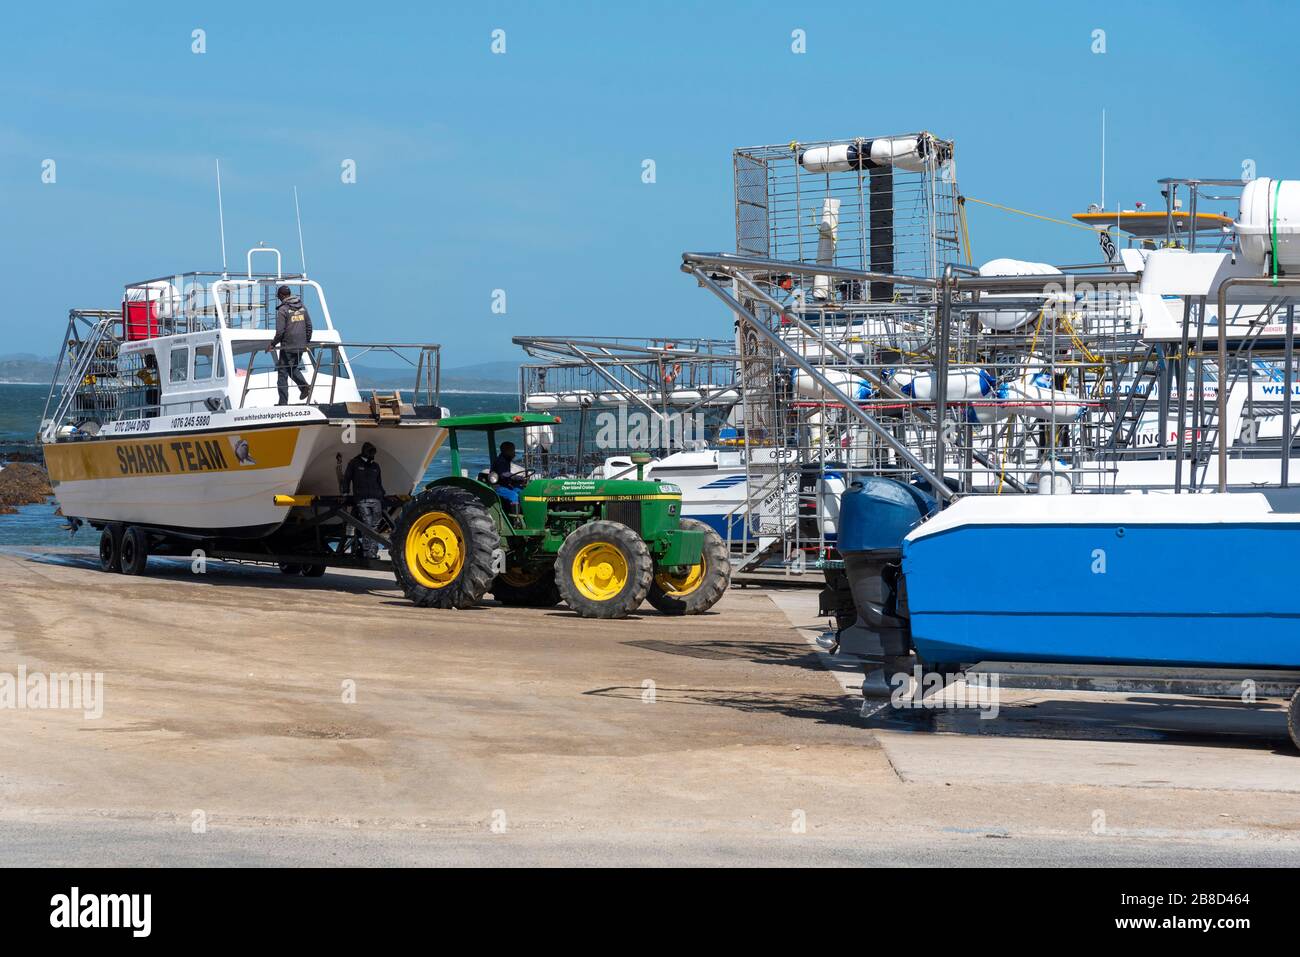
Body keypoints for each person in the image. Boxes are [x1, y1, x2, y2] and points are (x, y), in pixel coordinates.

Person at [339, 442, 385, 560]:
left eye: (373, 452)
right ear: (364, 451)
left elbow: (379, 483)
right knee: (367, 525)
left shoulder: (376, 466)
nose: (372, 455)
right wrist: (345, 493)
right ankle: (366, 551)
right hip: (362, 499)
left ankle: (373, 552)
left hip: (376, 500)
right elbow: (347, 479)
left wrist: (382, 495)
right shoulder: (354, 463)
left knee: (375, 526)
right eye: (370, 452)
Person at [271, 285, 313, 405]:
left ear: (282, 296)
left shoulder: (283, 310)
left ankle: (283, 403)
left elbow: (280, 332)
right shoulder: (302, 307)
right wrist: (306, 342)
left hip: (287, 346)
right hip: (301, 346)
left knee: (282, 374)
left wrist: (272, 344)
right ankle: (304, 387)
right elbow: (309, 326)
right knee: (292, 368)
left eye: (278, 296)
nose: (279, 298)